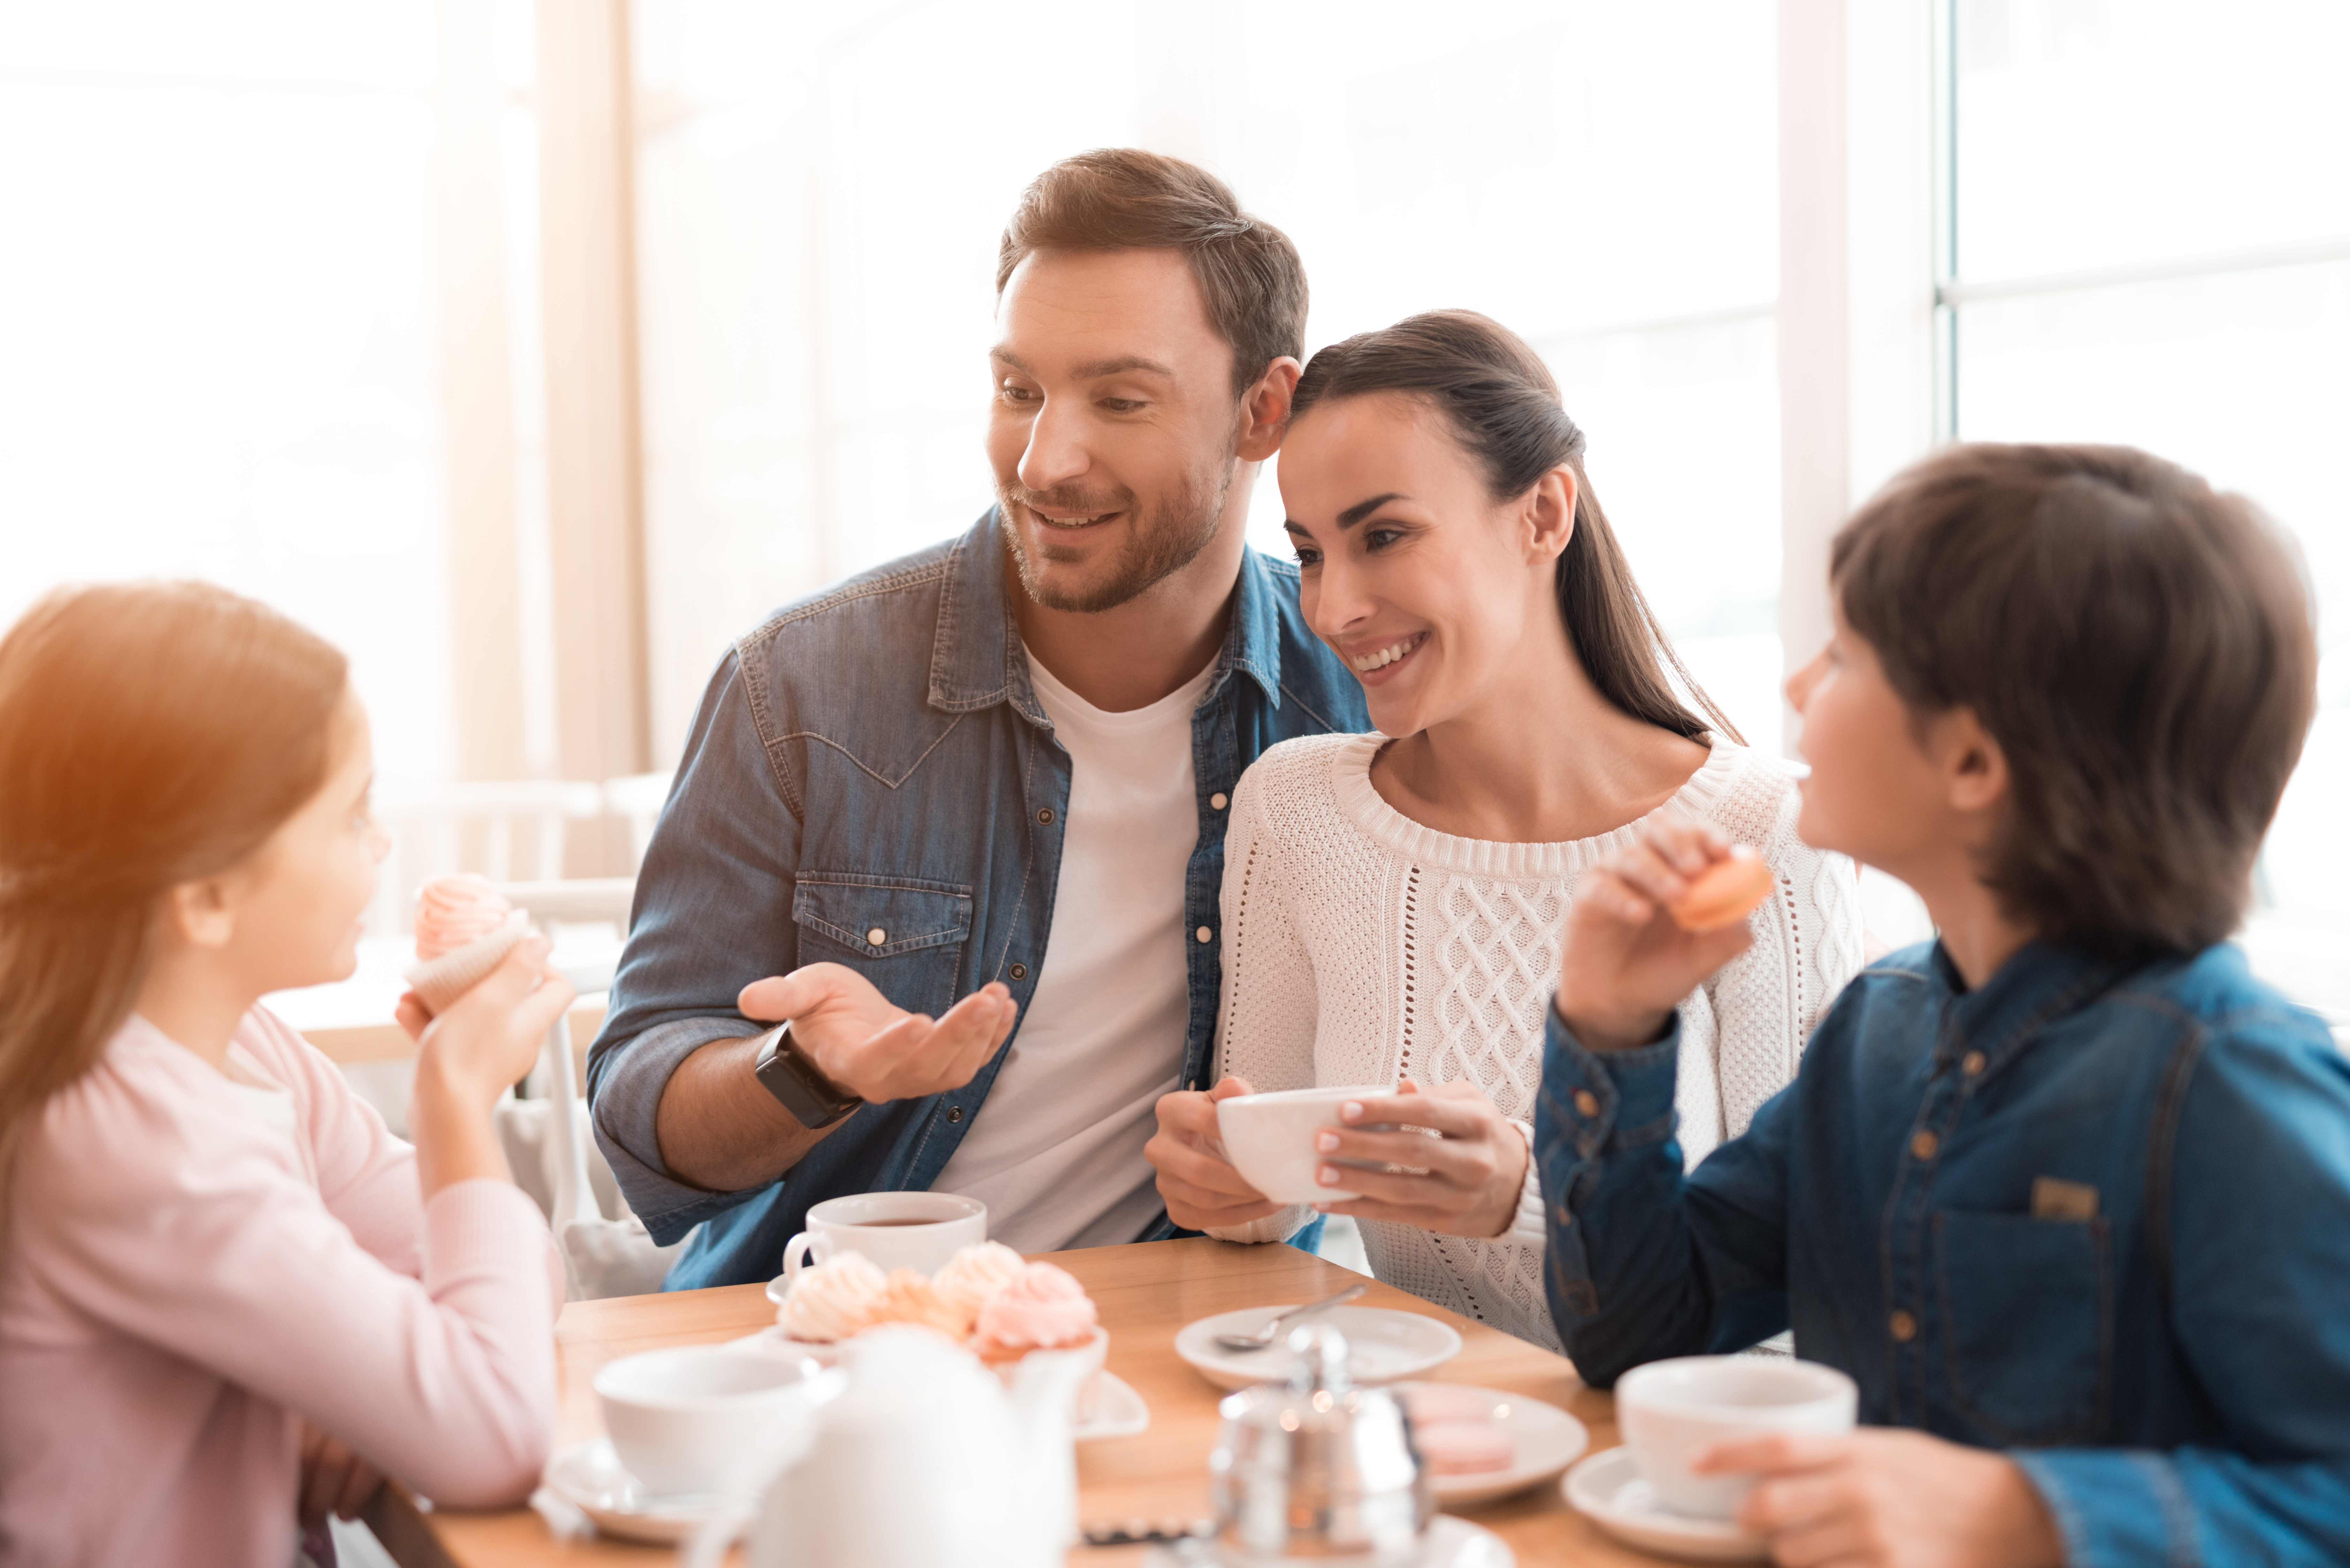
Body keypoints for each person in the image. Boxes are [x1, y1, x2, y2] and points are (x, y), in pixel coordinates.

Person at [1539, 443, 2348, 1564]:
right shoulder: (1878, 1029)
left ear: (1972, 761)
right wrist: (1610, 1026)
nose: (1796, 686)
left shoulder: (2228, 1082)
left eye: (1846, 655)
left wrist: (2024, 1515)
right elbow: (1633, 1333)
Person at [587, 149, 1369, 1288]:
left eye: (1121, 399)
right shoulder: (799, 686)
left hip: (1183, 1349)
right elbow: (637, 1114)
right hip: (834, 1346)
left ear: (1263, 413)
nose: (1046, 459)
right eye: (1019, 391)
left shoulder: (1350, 700)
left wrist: (1294, 1169)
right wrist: (805, 1071)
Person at [1142, 310, 1863, 1349]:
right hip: (1413, 1444)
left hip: (1663, 1465)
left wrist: (1530, 1190)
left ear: (1542, 515)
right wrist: (1229, 1181)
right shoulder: (1293, 810)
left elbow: (1807, 1266)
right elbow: (1274, 1204)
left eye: (1383, 536)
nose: (1334, 606)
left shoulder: (1762, 833)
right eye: (1309, 552)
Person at [0, 583, 571, 1568]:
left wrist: (357, 1373)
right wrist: (454, 1103)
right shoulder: (133, 1138)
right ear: (209, 896)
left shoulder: (240, 1046)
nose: (383, 842)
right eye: (352, 815)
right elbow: (493, 1433)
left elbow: (522, 1294)